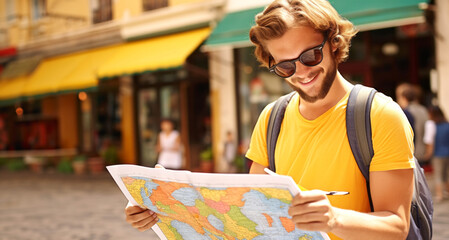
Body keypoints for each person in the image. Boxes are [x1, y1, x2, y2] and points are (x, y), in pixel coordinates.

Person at [125, 1, 415, 239]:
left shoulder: (380, 116)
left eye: (311, 56)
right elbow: (253, 216)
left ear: (334, 43)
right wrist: (162, 208)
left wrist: (334, 218)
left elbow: (397, 227)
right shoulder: (271, 118)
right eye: (286, 66)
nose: (301, 72)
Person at [396, 82, 429, 164]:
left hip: (411, 153)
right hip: (424, 152)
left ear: (403, 97)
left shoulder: (405, 113)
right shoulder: (424, 110)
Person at [423, 105, 449, 202]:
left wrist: (428, 154)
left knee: (438, 175)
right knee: (447, 174)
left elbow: (430, 142)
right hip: (447, 153)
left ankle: (440, 195)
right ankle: (447, 191)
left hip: (438, 154)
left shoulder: (432, 125)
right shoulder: (447, 124)